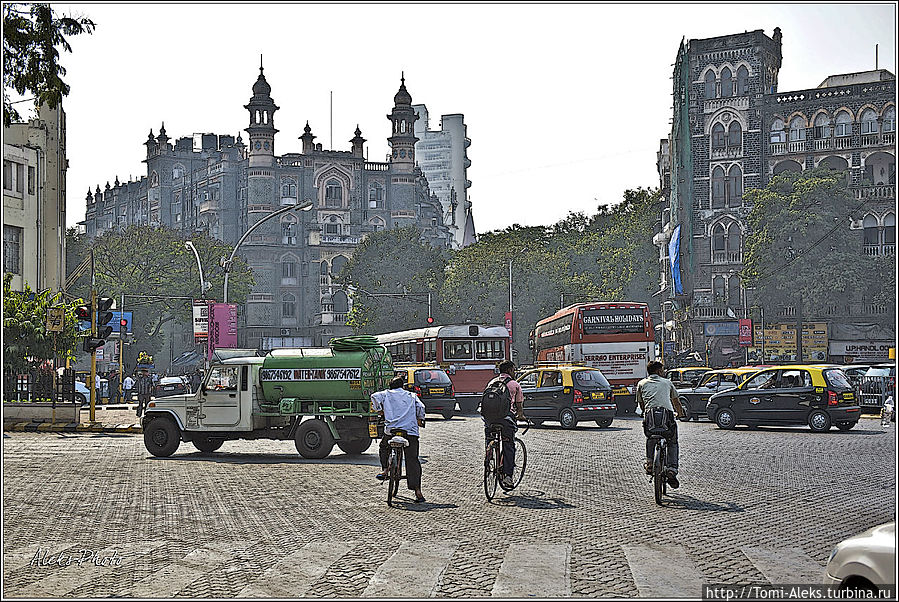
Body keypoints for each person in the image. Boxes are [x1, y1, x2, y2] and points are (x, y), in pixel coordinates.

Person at [371, 376, 427, 503]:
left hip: (392, 430)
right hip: (410, 431)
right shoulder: (411, 395)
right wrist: (419, 419)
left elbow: (374, 396)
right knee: (412, 459)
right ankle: (418, 492)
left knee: (384, 447)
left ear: (390, 386)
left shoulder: (386, 394)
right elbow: (421, 407)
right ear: (402, 386)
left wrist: (380, 410)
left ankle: (385, 469)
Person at [636, 361, 686, 489]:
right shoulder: (667, 383)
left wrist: (646, 412)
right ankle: (672, 469)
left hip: (650, 418)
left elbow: (641, 404)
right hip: (667, 419)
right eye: (662, 370)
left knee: (650, 438)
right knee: (672, 442)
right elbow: (676, 402)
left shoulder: (641, 384)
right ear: (659, 371)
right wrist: (680, 414)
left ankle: (649, 463)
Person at [483, 360, 525, 489]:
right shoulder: (514, 385)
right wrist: (520, 415)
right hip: (506, 420)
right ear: (509, 370)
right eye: (513, 370)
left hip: (489, 419)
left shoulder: (492, 382)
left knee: (490, 438)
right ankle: (508, 476)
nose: (514, 372)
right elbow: (519, 405)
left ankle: (489, 455)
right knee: (509, 445)